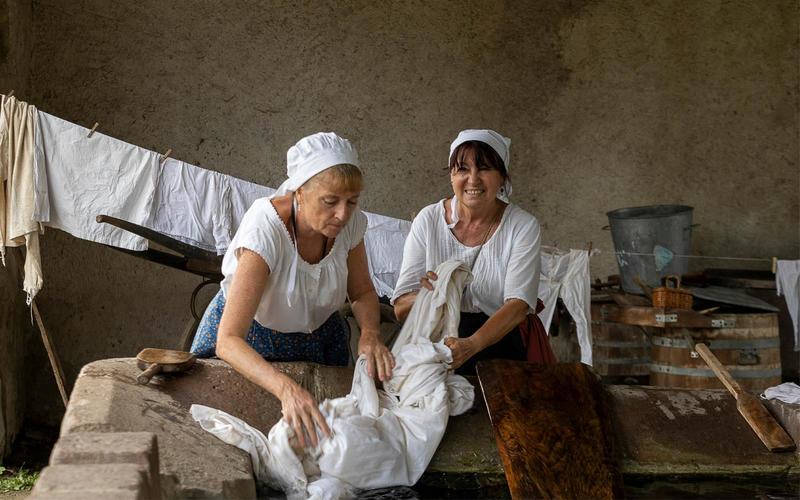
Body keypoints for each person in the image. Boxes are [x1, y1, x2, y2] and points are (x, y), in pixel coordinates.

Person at [191, 132, 395, 447]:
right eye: (330, 201)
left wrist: (370, 333)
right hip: (253, 340)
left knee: (329, 442)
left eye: (352, 202)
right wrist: (286, 389)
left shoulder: (349, 225)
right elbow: (228, 341)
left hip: (319, 340)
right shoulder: (266, 230)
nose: (342, 214)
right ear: (299, 192)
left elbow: (362, 292)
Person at [392, 129, 553, 374]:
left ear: (502, 178)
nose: (473, 179)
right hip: (436, 346)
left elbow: (518, 306)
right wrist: (435, 296)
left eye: (485, 168)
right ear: (451, 176)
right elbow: (401, 308)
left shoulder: (522, 226)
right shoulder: (429, 220)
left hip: (498, 343)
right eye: (463, 169)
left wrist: (471, 345)